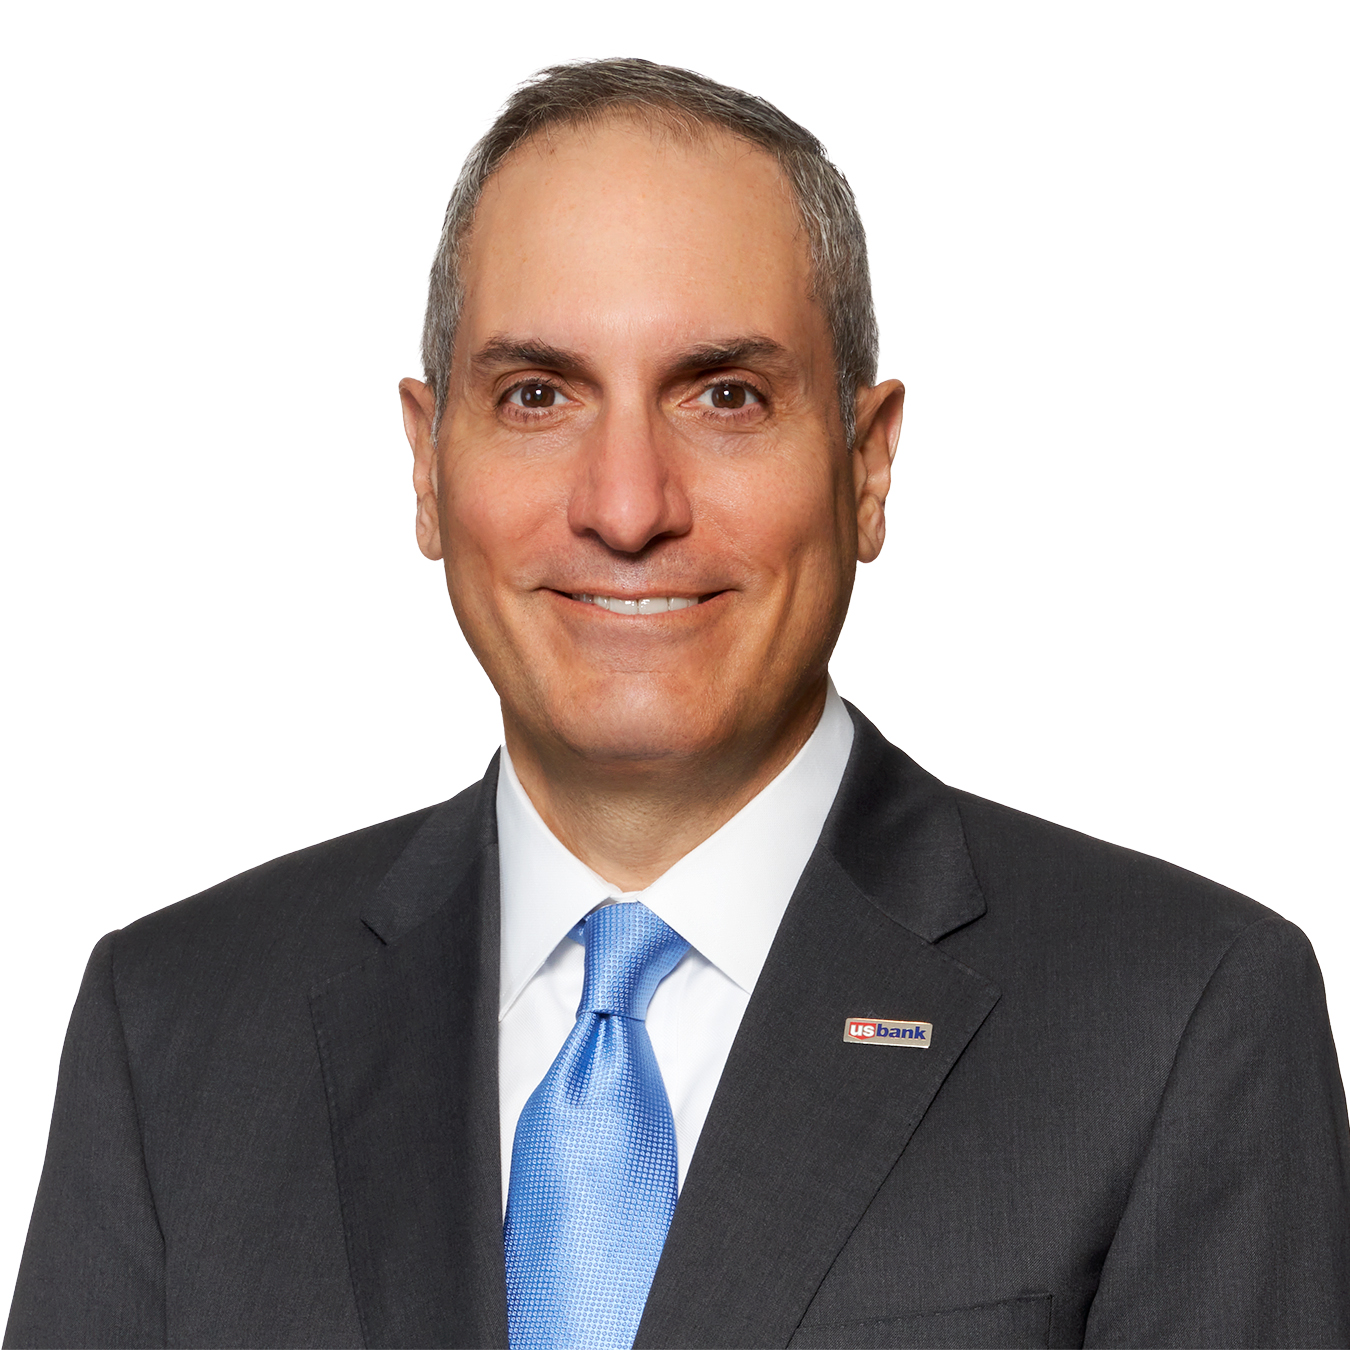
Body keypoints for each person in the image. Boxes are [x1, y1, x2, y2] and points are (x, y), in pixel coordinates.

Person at [6, 57, 1348, 1350]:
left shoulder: (1180, 1018)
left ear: (866, 465)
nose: (627, 505)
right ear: (426, 463)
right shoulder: (172, 1027)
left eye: (725, 395)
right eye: (538, 395)